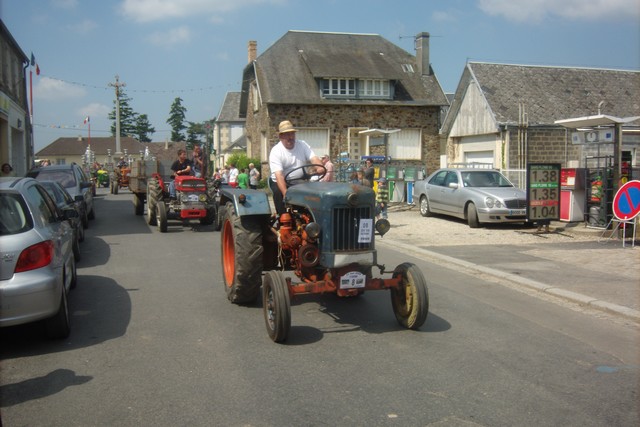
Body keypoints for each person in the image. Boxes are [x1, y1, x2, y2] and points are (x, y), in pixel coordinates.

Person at [269, 120, 322, 215]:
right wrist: (286, 193)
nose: (290, 137)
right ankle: (283, 220)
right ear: (281, 137)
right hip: (282, 182)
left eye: (292, 134)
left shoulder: (302, 145)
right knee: (278, 193)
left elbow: (314, 158)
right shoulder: (276, 151)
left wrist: (319, 167)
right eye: (286, 135)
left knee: (316, 194)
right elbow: (279, 175)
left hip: (300, 181)